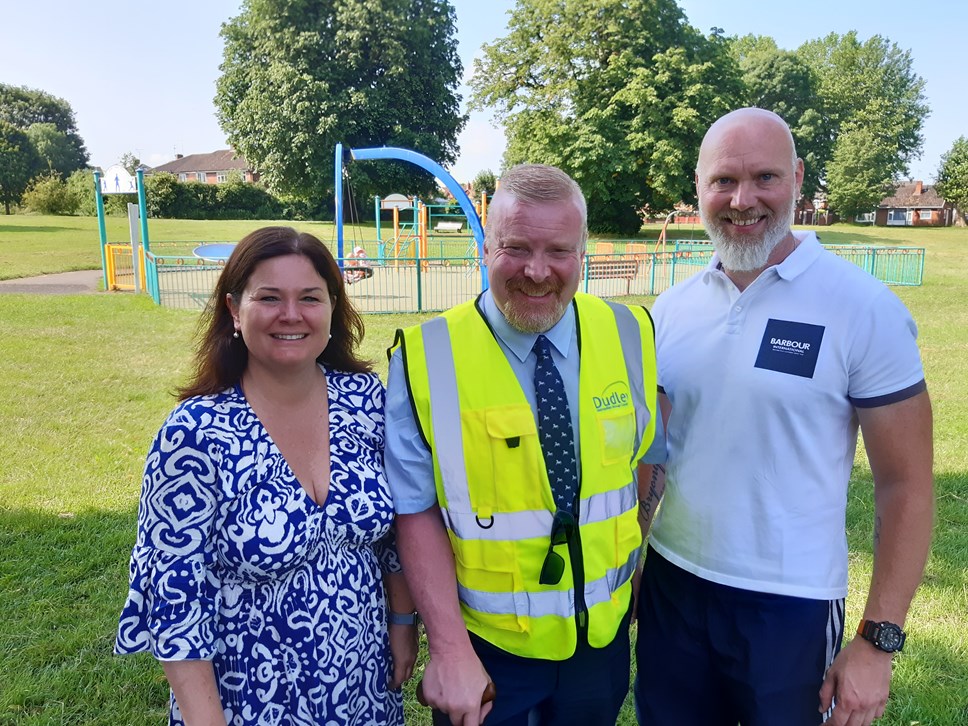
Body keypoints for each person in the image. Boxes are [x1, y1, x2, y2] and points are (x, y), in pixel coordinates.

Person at [634, 108, 934, 726]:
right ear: (698, 187)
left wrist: (878, 643)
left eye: (764, 177)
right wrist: (635, 557)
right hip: (673, 587)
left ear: (796, 178)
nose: (743, 200)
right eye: (723, 181)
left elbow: (906, 486)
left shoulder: (863, 308)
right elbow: (654, 454)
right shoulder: (672, 310)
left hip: (790, 605)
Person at [385, 163, 663, 725]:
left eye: (559, 251)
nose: (537, 273)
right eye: (516, 248)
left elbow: (641, 462)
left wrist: (628, 577)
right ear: (485, 246)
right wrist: (449, 649)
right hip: (487, 650)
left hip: (600, 641)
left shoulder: (632, 331)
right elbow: (414, 513)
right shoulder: (424, 356)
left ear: (583, 252)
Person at [116, 226, 418, 725]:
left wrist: (403, 622)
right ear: (235, 309)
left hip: (364, 693)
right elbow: (175, 594)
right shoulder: (195, 434)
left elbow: (392, 533)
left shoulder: (363, 400)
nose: (292, 315)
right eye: (270, 297)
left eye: (310, 298)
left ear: (333, 308)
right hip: (249, 701)